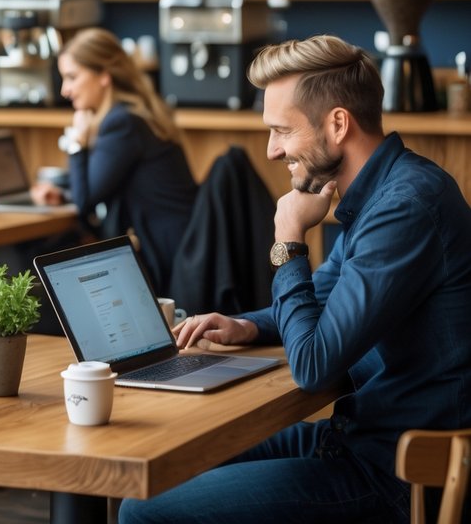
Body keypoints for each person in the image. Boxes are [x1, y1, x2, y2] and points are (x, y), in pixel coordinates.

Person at [119, 35, 471, 524]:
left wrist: (288, 236)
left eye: (282, 130)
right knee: (158, 471)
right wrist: (249, 326)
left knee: (144, 511)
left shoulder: (404, 208)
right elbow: (326, 299)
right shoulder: (381, 195)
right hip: (356, 441)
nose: (271, 151)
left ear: (338, 124)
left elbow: (313, 365)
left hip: (397, 477)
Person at [30, 27, 197, 295]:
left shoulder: (123, 123)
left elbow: (86, 202)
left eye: (72, 77)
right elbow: (99, 187)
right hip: (179, 244)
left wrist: (77, 144)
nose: (65, 90)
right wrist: (63, 195)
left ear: (104, 76)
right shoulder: (131, 115)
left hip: (169, 257)